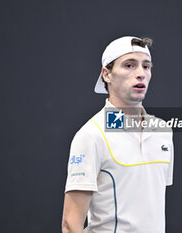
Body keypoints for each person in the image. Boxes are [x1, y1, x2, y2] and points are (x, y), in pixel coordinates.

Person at [61, 36, 174, 233]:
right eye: (129, 65)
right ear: (107, 74)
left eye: (146, 66)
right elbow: (71, 225)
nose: (141, 74)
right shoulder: (91, 135)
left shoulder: (163, 131)